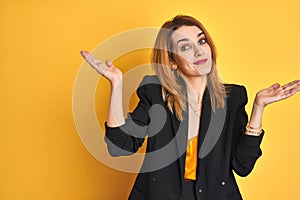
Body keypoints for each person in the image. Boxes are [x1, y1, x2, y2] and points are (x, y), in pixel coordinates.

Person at [80, 15, 300, 200]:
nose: (199, 51)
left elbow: (242, 166)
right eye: (186, 47)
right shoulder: (156, 93)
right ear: (173, 61)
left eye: (201, 41)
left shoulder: (233, 97)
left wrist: (258, 108)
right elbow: (121, 146)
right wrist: (116, 84)